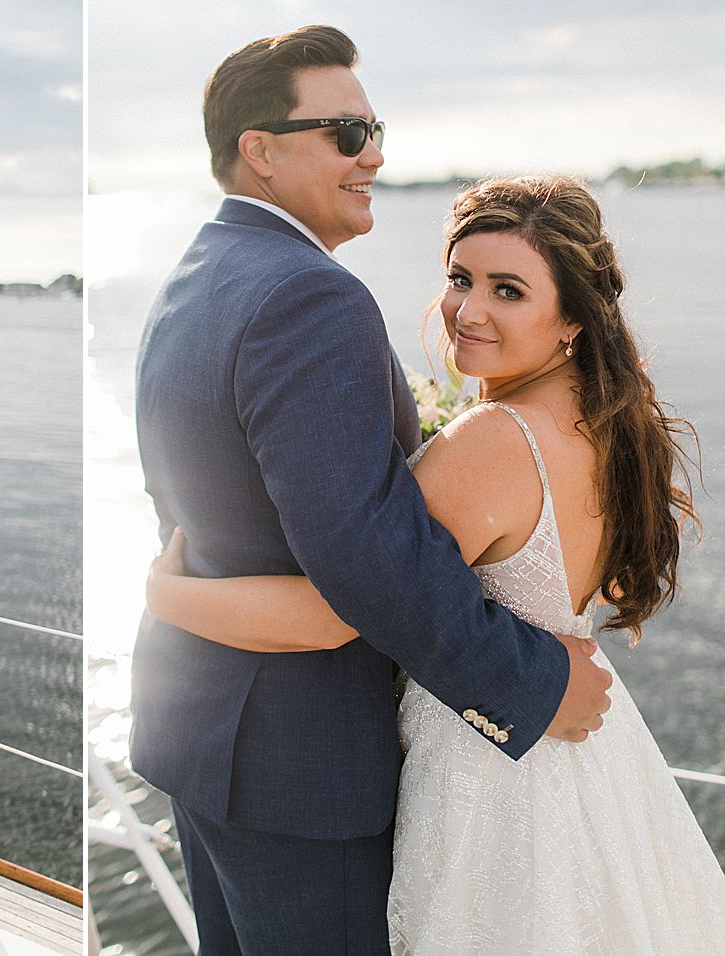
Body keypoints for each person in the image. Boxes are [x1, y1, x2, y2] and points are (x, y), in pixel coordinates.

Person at [147, 176, 725, 952]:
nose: (469, 309)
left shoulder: (490, 443)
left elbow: (335, 610)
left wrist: (166, 595)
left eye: (509, 290)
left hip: (484, 778)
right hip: (583, 760)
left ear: (572, 323)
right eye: (460, 279)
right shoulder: (608, 424)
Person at [129, 26, 612, 954]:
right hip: (304, 770)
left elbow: (213, 507)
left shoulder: (196, 277)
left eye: (374, 127)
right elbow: (365, 557)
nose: (376, 154)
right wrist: (532, 682)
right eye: (347, 133)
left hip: (205, 738)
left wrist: (168, 594)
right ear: (260, 151)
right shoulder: (312, 297)